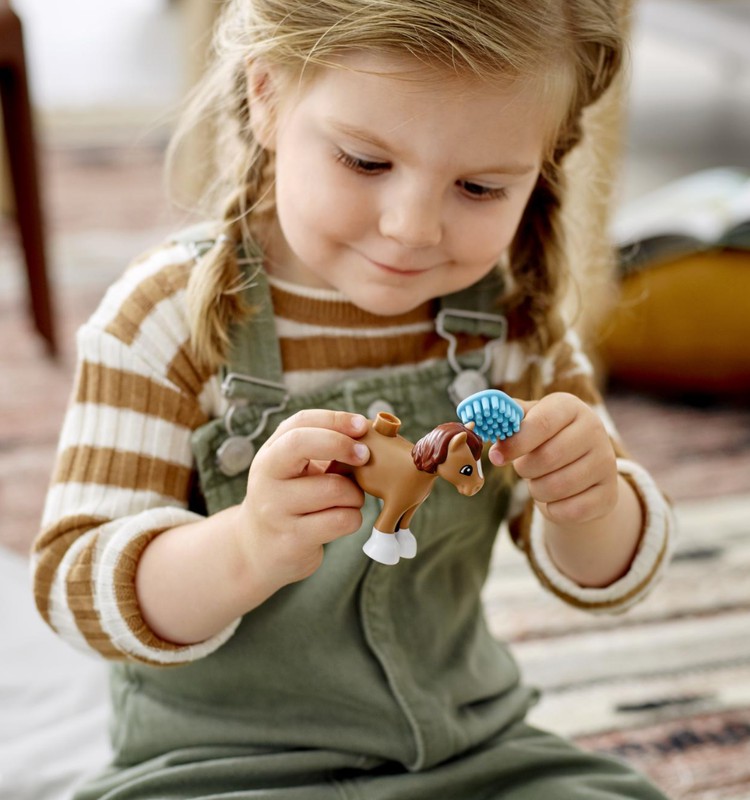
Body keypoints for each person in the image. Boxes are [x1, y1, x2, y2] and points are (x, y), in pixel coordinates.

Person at [32, 1, 676, 797]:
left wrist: (590, 503)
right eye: (367, 163)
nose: (413, 228)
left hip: (471, 753)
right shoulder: (163, 318)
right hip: (220, 771)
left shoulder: (508, 322)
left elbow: (610, 576)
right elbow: (72, 588)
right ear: (266, 95)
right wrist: (245, 549)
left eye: (478, 186)